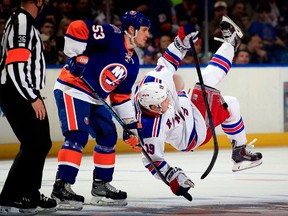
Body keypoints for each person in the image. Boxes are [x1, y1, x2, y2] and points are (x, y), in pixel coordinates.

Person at [134, 16, 263, 198]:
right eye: (163, 102)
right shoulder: (150, 130)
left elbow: (168, 61)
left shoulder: (154, 81)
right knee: (207, 81)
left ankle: (240, 151)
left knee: (232, 104)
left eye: (166, 96)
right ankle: (231, 43)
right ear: (154, 108)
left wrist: (181, 40)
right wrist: (173, 178)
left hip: (188, 109)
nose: (168, 100)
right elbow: (152, 161)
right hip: (193, 132)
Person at [51, 10, 150, 209]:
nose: (147, 35)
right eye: (145, 30)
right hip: (73, 88)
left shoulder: (133, 62)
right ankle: (61, 188)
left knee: (108, 137)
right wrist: (75, 55)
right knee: (77, 136)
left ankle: (100, 187)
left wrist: (130, 127)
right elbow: (76, 26)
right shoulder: (111, 35)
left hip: (96, 98)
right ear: (131, 29)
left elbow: (121, 96)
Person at [0, 0, 57, 214]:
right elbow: (15, 65)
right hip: (18, 92)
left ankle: (28, 193)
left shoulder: (22, 21)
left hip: (19, 91)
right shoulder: (21, 22)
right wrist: (32, 97)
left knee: (39, 143)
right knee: (35, 144)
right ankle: (14, 196)